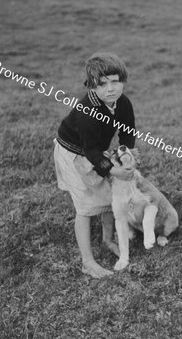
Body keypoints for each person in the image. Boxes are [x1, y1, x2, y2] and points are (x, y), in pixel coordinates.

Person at [54, 52, 136, 278]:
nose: (110, 89)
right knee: (85, 206)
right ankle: (87, 262)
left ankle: (107, 239)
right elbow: (90, 151)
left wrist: (127, 155)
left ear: (122, 81)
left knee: (109, 196)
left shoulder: (123, 103)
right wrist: (114, 169)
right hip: (74, 154)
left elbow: (128, 133)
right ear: (91, 86)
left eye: (115, 82)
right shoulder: (87, 111)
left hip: (95, 151)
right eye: (102, 84)